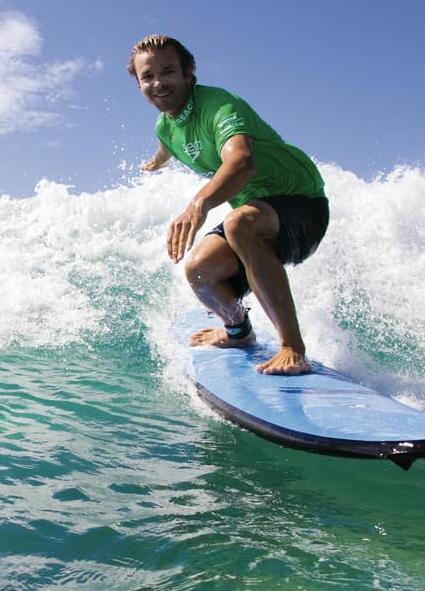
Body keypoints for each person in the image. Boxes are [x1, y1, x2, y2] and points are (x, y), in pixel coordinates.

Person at [129, 34, 329, 376]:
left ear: (189, 72)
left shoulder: (220, 106)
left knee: (239, 224)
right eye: (148, 76)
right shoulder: (165, 127)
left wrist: (199, 205)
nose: (158, 83)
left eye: (168, 71)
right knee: (199, 271)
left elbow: (242, 163)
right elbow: (166, 146)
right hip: (258, 212)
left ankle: (293, 348)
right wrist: (157, 162)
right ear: (139, 83)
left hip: (302, 203)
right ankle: (238, 330)